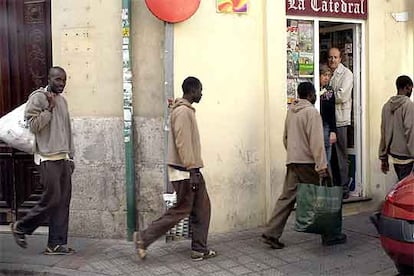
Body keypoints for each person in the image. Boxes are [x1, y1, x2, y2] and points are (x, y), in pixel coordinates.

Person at [135, 76, 216, 261]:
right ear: (192, 90)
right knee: (181, 210)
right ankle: (143, 238)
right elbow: (183, 143)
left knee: (202, 209)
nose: (201, 94)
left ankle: (199, 248)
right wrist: (192, 170)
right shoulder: (182, 112)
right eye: (200, 90)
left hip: (190, 170)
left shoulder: (186, 111)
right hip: (186, 171)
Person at [262, 82, 346, 249]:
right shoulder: (311, 113)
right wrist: (322, 166)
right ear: (309, 95)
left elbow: (285, 138)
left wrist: (294, 153)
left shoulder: (291, 112)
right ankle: (330, 234)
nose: (315, 96)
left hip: (293, 161)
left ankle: (271, 232)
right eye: (314, 93)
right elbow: (316, 142)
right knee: (323, 196)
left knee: (286, 198)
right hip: (309, 163)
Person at [10, 66, 75, 255]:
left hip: (62, 158)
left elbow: (67, 130)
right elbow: (33, 126)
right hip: (47, 158)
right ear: (49, 79)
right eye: (57, 80)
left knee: (63, 201)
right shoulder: (39, 97)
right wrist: (48, 110)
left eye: (64, 80)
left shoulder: (63, 101)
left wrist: (71, 156)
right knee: (52, 199)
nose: (61, 83)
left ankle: (56, 244)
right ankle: (21, 227)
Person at [328, 47, 354, 199]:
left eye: (335, 57)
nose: (332, 60)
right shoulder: (327, 72)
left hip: (340, 120)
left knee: (340, 155)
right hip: (329, 120)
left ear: (340, 58)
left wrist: (325, 95)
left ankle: (344, 187)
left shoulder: (346, 74)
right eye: (330, 57)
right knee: (330, 156)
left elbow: (342, 96)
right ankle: (334, 186)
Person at [379, 75, 414, 181]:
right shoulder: (408, 105)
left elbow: (384, 132)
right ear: (408, 87)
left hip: (394, 156)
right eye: (411, 88)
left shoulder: (386, 106)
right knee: (406, 191)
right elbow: (410, 131)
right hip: (407, 156)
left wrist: (383, 157)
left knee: (401, 185)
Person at [320, 64, 337, 164]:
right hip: (315, 125)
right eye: (324, 75)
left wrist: (333, 131)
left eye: (328, 75)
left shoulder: (329, 91)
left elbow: (331, 112)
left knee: (327, 157)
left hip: (325, 125)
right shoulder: (312, 90)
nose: (326, 78)